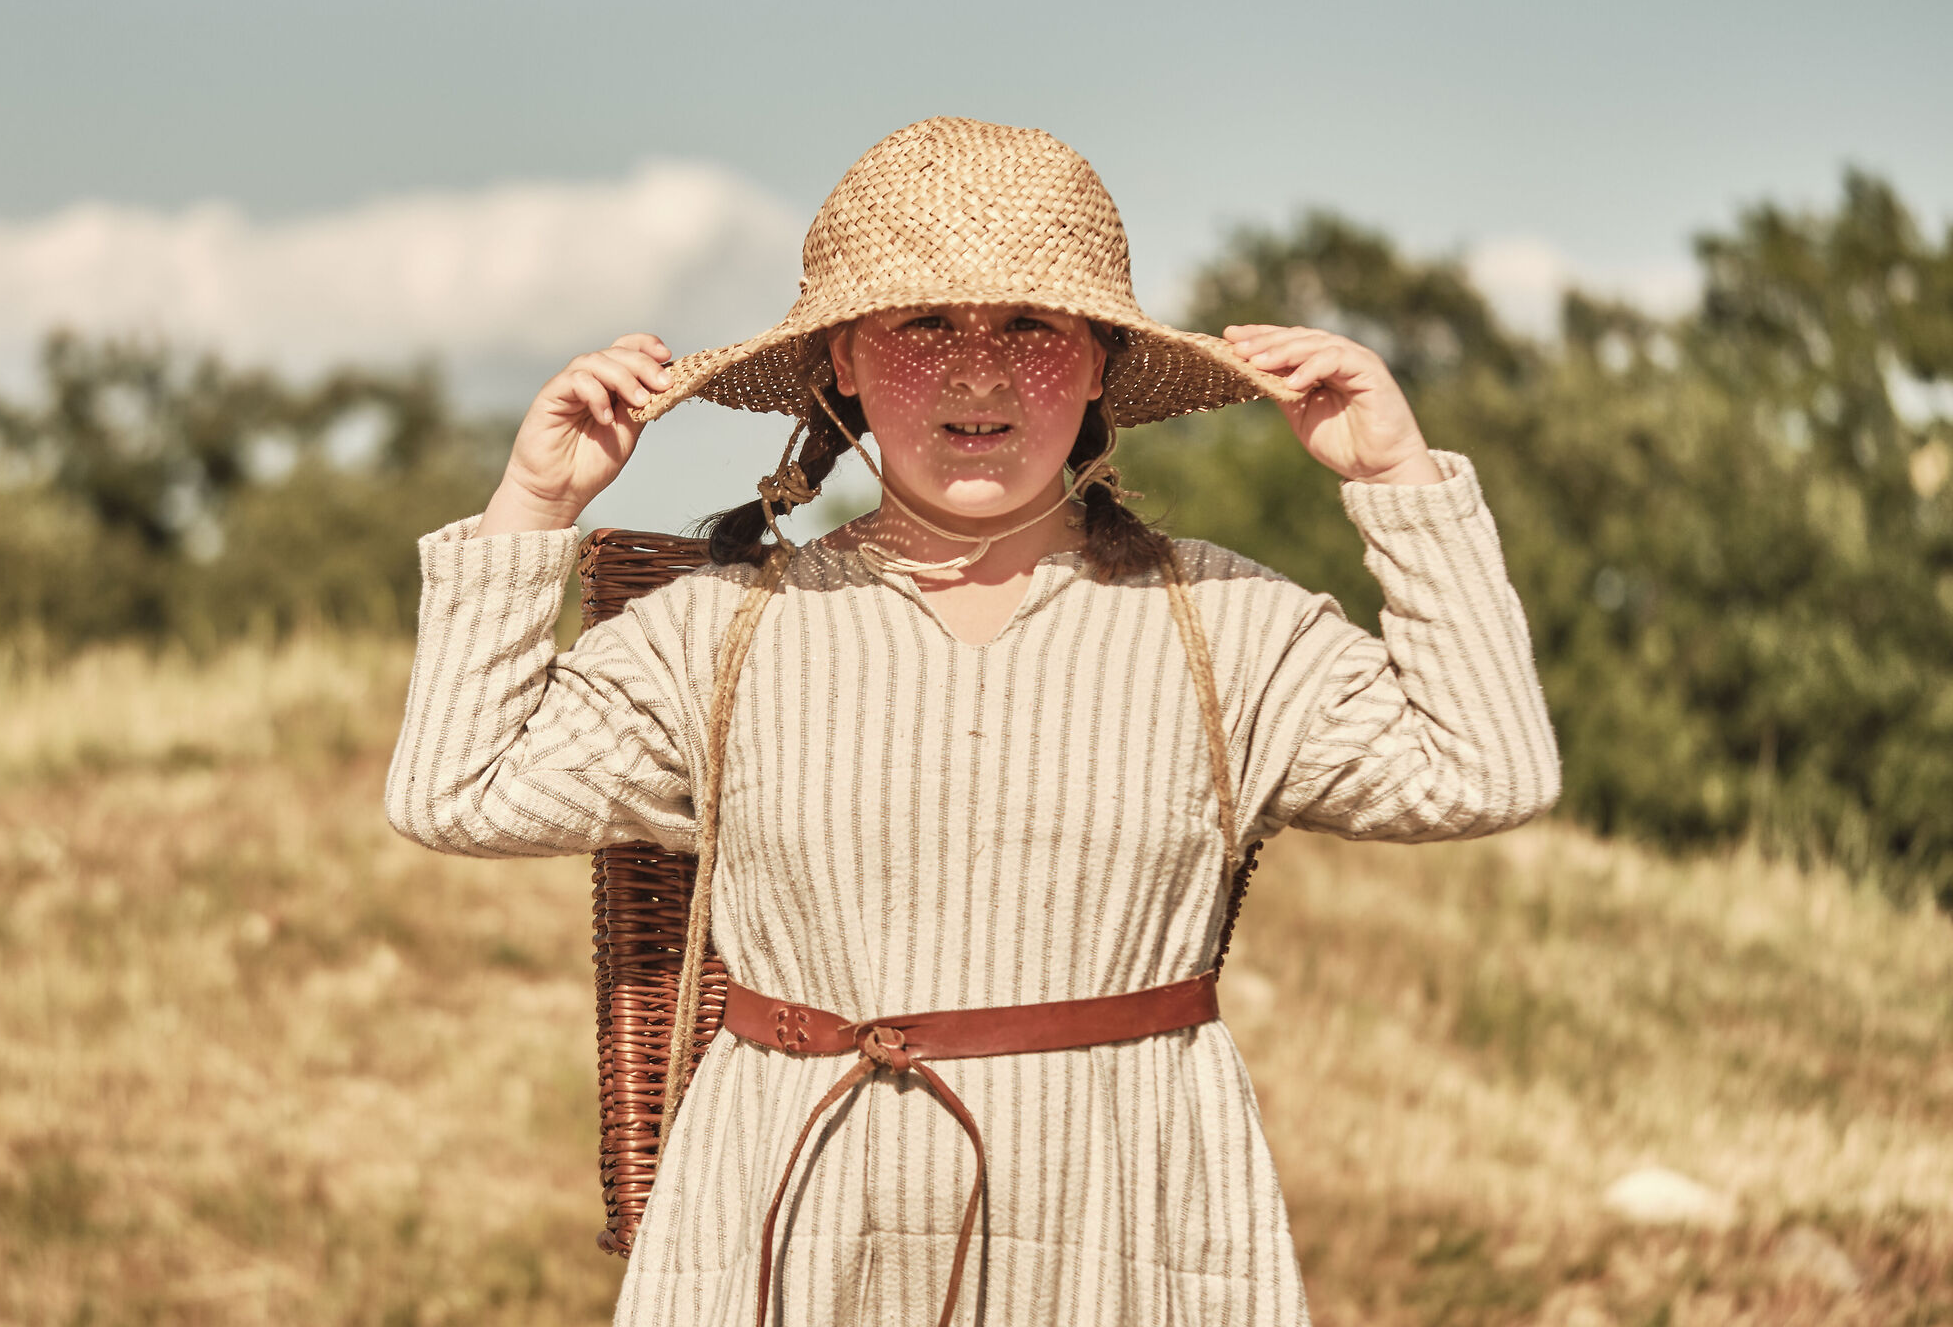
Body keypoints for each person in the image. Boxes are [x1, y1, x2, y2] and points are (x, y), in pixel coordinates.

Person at [385, 117, 1559, 1327]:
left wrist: (1398, 480)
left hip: (1128, 1238)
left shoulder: (1226, 627)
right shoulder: (723, 632)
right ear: (843, 358)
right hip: (789, 1237)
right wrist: (534, 503)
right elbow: (457, 789)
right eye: (925, 324)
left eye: (1032, 327)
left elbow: (1486, 767)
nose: (980, 374)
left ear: (1101, 361)